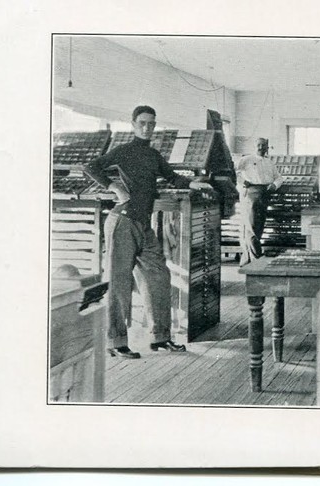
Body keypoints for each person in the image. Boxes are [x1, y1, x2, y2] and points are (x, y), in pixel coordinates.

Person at [84, 105, 212, 359]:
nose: (147, 127)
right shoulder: (124, 151)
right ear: (133, 124)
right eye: (142, 123)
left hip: (144, 225)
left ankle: (160, 338)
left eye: (151, 123)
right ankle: (116, 342)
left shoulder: (152, 155)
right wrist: (115, 188)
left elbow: (172, 177)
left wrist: (192, 183)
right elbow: (91, 167)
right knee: (120, 284)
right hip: (122, 222)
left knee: (159, 278)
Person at [235, 137, 283, 265]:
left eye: (264, 145)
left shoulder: (270, 163)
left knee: (259, 226)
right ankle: (256, 257)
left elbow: (279, 177)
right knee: (251, 227)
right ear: (254, 146)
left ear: (267, 147)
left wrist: (274, 185)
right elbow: (234, 173)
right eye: (259, 145)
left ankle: (248, 259)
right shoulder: (246, 160)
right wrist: (241, 183)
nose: (261, 148)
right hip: (251, 193)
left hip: (264, 194)